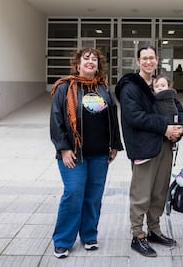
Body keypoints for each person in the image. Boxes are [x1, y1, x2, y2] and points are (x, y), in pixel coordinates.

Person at [115, 44, 183, 257]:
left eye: (152, 58)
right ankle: (138, 236)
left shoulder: (158, 85)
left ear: (157, 60)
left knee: (159, 193)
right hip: (144, 149)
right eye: (144, 58)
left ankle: (154, 230)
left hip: (164, 147)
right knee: (141, 195)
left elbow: (178, 108)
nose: (148, 61)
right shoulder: (131, 87)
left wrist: (180, 127)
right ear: (138, 61)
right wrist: (164, 127)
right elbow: (134, 117)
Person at [50, 47, 123, 258]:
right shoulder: (64, 88)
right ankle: (63, 240)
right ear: (78, 64)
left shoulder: (104, 88)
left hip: (99, 154)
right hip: (74, 154)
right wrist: (63, 149)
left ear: (99, 66)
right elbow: (56, 121)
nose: (91, 62)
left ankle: (89, 235)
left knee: (93, 196)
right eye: (86, 58)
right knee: (73, 193)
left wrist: (114, 145)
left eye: (95, 60)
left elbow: (112, 118)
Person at [134, 75, 179, 165]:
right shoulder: (172, 96)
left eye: (163, 86)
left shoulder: (163, 97)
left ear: (169, 87)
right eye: (157, 86)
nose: (160, 88)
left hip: (167, 122)